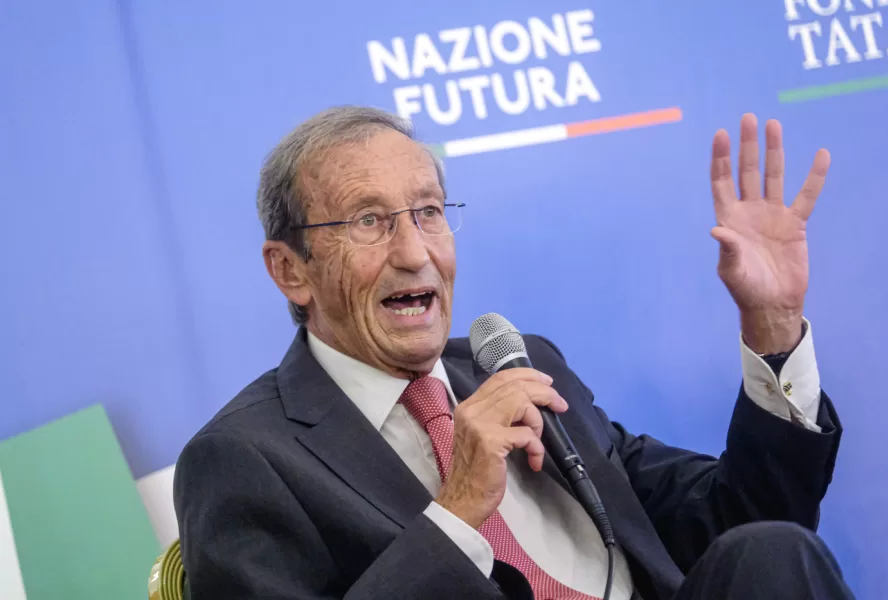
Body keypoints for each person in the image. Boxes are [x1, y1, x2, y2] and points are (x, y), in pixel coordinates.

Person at [174, 106, 853, 599]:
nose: (414, 254)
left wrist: (772, 322)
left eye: (429, 212)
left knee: (770, 550)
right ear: (290, 269)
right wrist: (458, 510)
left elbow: (745, 514)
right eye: (369, 222)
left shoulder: (518, 365)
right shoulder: (246, 458)